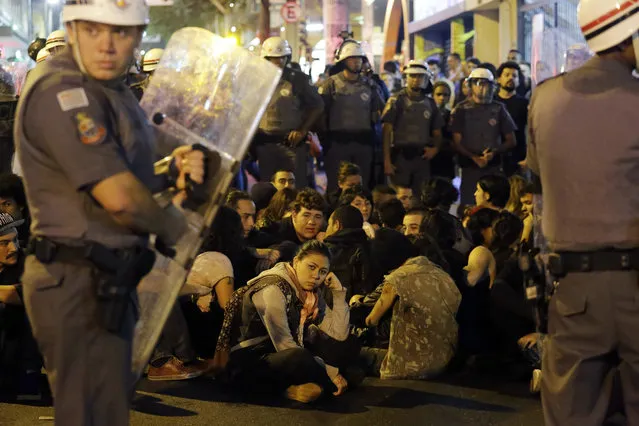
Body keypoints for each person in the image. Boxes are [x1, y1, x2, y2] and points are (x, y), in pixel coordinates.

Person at [14, 1, 206, 424]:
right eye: (93, 30)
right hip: (76, 278)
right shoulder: (63, 89)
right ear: (72, 28)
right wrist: (175, 227)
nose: (107, 44)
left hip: (112, 278)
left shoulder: (113, 89)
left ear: (139, 37)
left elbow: (125, 171)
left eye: (120, 32)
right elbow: (118, 196)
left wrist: (169, 170)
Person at [527, 1, 639, 424]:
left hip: (573, 286)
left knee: (572, 410)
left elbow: (539, 186)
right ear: (628, 36)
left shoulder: (545, 97)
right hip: (634, 279)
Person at [214, 240, 352, 403]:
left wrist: (338, 292)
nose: (316, 276)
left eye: (323, 271)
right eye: (311, 267)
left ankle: (308, 388)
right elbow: (284, 344)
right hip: (252, 359)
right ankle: (299, 389)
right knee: (300, 358)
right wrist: (331, 372)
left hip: (282, 354)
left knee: (349, 348)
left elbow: (339, 333)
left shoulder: (311, 294)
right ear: (296, 262)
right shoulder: (272, 288)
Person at [255, 37, 324, 189]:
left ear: (288, 58)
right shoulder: (257, 79)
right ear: (265, 58)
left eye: (282, 58)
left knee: (296, 187)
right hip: (265, 143)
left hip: (292, 143)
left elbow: (317, 105)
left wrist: (302, 130)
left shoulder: (298, 79)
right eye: (273, 58)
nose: (278, 62)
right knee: (269, 188)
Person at [319, 41, 384, 191]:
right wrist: (324, 139)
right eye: (352, 59)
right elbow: (321, 113)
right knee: (337, 186)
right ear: (343, 61)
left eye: (359, 59)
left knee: (362, 185)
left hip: (363, 143)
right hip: (337, 143)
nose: (356, 62)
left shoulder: (370, 85)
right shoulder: (330, 84)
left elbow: (381, 110)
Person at [450, 68, 517, 205]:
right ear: (471, 86)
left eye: (486, 84)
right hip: (470, 166)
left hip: (493, 165)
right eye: (478, 84)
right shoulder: (461, 109)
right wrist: (474, 157)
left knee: (494, 204)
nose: (482, 88)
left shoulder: (499, 108)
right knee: (469, 204)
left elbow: (511, 140)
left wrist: (493, 152)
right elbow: (456, 141)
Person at [382, 60, 443, 192]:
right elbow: (386, 132)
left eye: (420, 76)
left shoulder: (430, 103)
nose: (416, 79)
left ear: (426, 78)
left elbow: (437, 131)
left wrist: (435, 149)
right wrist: (387, 161)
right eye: (413, 76)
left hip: (422, 157)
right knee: (401, 196)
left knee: (421, 197)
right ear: (406, 78)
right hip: (400, 156)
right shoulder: (396, 100)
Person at [495, 62, 529, 176]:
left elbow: (530, 131)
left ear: (519, 80)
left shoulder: (524, 103)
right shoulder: (492, 102)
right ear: (499, 79)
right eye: (507, 75)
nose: (511, 78)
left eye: (514, 76)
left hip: (518, 158)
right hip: (495, 159)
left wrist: (528, 158)